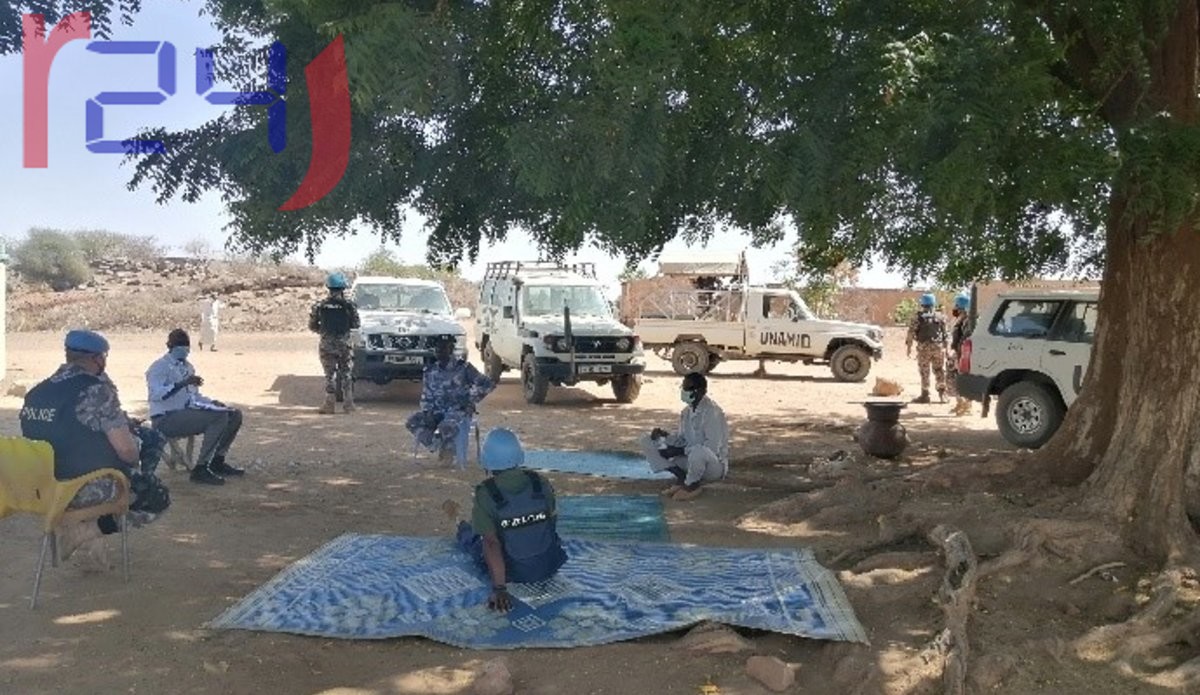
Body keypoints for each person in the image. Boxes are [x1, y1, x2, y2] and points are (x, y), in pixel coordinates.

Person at [20, 330, 171, 569]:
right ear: (97, 359)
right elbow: (127, 452)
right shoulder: (95, 390)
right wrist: (133, 448)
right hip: (80, 488)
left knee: (130, 456)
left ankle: (89, 536)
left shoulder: (37, 392)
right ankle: (87, 530)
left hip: (42, 487)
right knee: (155, 496)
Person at [443, 428, 568, 612]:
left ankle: (459, 523)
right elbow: (550, 522)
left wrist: (500, 589)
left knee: (473, 539)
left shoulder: (485, 493)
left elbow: (491, 544)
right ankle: (462, 523)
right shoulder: (541, 483)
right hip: (548, 565)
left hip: (513, 572)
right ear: (519, 455)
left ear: (487, 460)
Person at [146, 329, 245, 485]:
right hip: (166, 418)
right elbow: (156, 394)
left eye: (186, 345)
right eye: (180, 344)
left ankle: (217, 460)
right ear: (169, 345)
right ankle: (201, 467)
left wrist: (212, 403)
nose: (184, 348)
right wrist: (181, 384)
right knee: (219, 418)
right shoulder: (159, 367)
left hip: (186, 412)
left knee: (234, 415)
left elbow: (193, 396)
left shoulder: (188, 367)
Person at [639, 371, 730, 501]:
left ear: (700, 391)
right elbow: (682, 439)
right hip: (689, 460)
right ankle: (682, 478)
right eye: (683, 387)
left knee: (699, 451)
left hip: (712, 467)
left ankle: (692, 485)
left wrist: (680, 451)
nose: (684, 391)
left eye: (688, 388)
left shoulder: (712, 412)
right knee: (647, 440)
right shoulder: (686, 412)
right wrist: (664, 437)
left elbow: (711, 449)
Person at [406, 334, 495, 463]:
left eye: (443, 348)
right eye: (437, 348)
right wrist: (427, 411)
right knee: (412, 421)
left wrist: (470, 399)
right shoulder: (430, 371)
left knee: (447, 425)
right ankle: (435, 444)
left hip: (458, 411)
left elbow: (487, 384)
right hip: (436, 411)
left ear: (451, 349)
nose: (439, 351)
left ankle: (448, 450)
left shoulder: (464, 368)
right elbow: (426, 395)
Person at [308, 272, 360, 414]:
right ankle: (349, 404)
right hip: (345, 345)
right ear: (343, 288)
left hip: (327, 345)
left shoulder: (320, 305)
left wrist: (324, 332)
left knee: (329, 375)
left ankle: (329, 404)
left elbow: (312, 325)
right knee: (347, 374)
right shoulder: (349, 306)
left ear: (329, 287)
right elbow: (356, 324)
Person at [905, 292, 949, 404]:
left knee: (924, 371)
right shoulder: (940, 316)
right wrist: (947, 349)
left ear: (922, 304)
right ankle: (942, 394)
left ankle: (925, 395)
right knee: (939, 370)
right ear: (933, 303)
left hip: (923, 348)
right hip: (938, 347)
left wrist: (909, 348)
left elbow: (911, 333)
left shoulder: (917, 317)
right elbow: (946, 334)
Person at [947, 293, 972, 416]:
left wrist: (961, 354)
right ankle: (960, 402)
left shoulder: (969, 321)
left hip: (965, 354)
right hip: (959, 352)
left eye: (956, 306)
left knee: (963, 379)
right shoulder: (960, 319)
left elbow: (966, 338)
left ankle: (967, 405)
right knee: (953, 377)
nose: (955, 308)